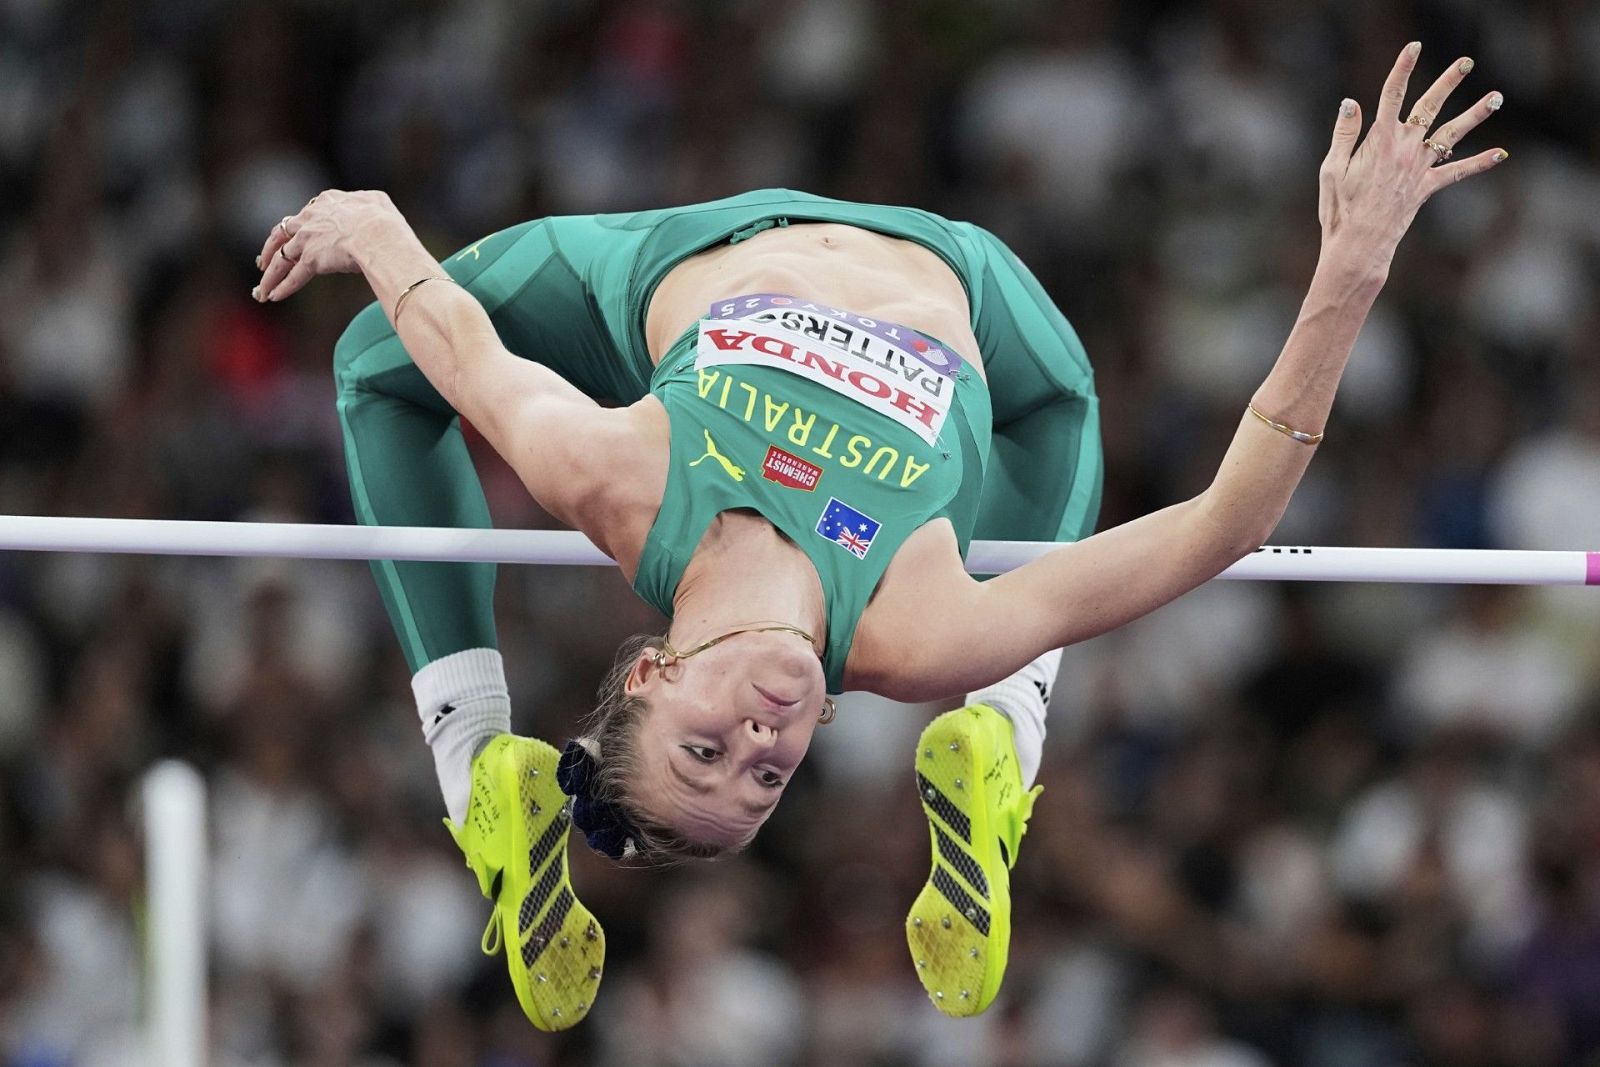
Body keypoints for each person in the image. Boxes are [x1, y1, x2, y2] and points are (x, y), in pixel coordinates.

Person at [253, 44, 1504, 1031]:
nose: (757, 740)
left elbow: (450, 342)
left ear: (648, 668)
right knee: (1057, 411)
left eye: (705, 747)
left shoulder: (617, 478)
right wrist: (1350, 270)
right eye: (764, 776)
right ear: (819, 737)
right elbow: (1223, 522)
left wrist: (367, 221)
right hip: (965, 281)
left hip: (686, 252)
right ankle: (1004, 743)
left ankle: (475, 765)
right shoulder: (919, 630)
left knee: (376, 360)